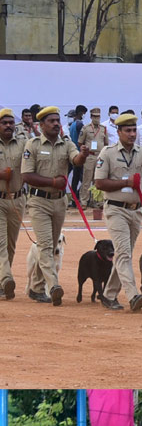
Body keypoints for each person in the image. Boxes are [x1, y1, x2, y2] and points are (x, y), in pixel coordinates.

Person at [22, 106, 93, 305]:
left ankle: (36, 289)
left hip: (60, 202)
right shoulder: (32, 144)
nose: (55, 123)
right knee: (45, 245)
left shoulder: (66, 143)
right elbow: (26, 175)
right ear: (41, 124)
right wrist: (52, 182)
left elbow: (76, 160)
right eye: (51, 121)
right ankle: (53, 285)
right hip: (38, 201)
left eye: (57, 120)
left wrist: (84, 155)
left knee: (51, 245)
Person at [95, 112, 142, 313]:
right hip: (116, 209)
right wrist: (125, 182)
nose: (132, 134)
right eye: (128, 130)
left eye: (134, 130)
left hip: (135, 212)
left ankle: (109, 295)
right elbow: (99, 183)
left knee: (123, 255)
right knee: (124, 254)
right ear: (118, 132)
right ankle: (133, 294)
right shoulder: (107, 153)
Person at [0, 108, 24, 301]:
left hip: (18, 199)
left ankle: (2, 283)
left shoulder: (23, 143)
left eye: (10, 123)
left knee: (11, 245)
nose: (9, 126)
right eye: (4, 123)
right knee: (0, 244)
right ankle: (6, 279)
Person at [78, 107, 108, 204]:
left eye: (98, 116)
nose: (97, 118)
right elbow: (80, 142)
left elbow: (106, 143)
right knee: (87, 179)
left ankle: (96, 201)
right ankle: (84, 201)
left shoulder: (103, 129)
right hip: (89, 156)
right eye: (95, 116)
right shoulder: (86, 128)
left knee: (98, 179)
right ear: (91, 117)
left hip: (100, 156)